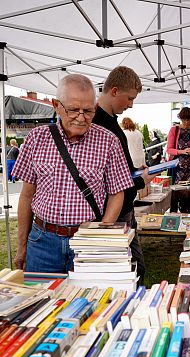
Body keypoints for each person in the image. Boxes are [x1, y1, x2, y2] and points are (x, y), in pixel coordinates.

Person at [12, 74, 133, 272]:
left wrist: (100, 235)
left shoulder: (109, 141)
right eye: (73, 110)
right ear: (56, 105)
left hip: (87, 240)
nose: (81, 117)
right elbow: (26, 196)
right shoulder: (36, 139)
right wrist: (22, 246)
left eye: (88, 111)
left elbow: (116, 192)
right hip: (43, 240)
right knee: (42, 299)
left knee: (89, 300)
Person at [93, 66, 157, 286]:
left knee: (136, 268)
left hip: (124, 210)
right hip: (112, 213)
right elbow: (106, 179)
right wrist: (140, 180)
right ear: (114, 91)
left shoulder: (110, 121)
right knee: (130, 272)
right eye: (129, 98)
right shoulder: (97, 123)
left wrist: (136, 171)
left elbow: (116, 168)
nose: (130, 105)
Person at [166, 107, 190, 184]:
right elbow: (169, 150)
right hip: (176, 167)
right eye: (184, 120)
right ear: (180, 119)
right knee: (175, 192)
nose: (186, 122)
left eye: (189, 120)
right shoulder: (174, 130)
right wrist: (182, 151)